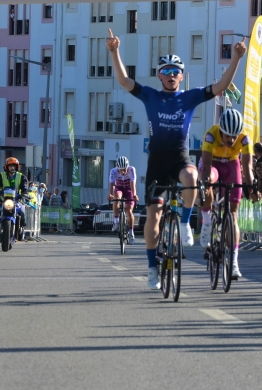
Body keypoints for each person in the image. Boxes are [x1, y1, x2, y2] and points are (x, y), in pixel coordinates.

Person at [107, 28, 246, 291]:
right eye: (167, 71)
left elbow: (221, 87)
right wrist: (115, 52)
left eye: (176, 72)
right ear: (159, 75)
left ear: (182, 76)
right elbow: (125, 81)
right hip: (157, 161)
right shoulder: (150, 95)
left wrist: (236, 58)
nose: (171, 76)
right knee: (153, 218)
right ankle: (151, 268)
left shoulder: (189, 96)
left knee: (193, 177)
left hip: (180, 156)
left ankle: (184, 225)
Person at [198, 108, 253, 279]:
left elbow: (248, 170)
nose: (231, 140)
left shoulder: (244, 138)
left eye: (234, 136)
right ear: (221, 130)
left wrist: (251, 186)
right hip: (212, 163)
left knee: (233, 214)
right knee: (207, 182)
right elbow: (206, 167)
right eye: (227, 136)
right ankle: (207, 222)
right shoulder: (211, 135)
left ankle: (234, 262)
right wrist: (205, 182)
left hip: (231, 164)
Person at [0, 157, 30, 236]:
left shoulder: (21, 176)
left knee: (22, 212)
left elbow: (25, 188)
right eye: (10, 166)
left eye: (14, 166)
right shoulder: (1, 176)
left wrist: (25, 193)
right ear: (6, 167)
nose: (12, 168)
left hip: (16, 200)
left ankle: (21, 228)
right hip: (3, 200)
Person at [109, 156, 138, 245]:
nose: (123, 172)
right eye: (121, 170)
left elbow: (133, 184)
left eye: (125, 169)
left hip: (129, 189)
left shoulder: (131, 169)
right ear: (118, 168)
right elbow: (112, 184)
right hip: (119, 188)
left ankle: (131, 233)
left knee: (129, 210)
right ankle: (116, 221)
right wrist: (110, 194)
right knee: (116, 196)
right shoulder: (113, 171)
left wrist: (134, 195)